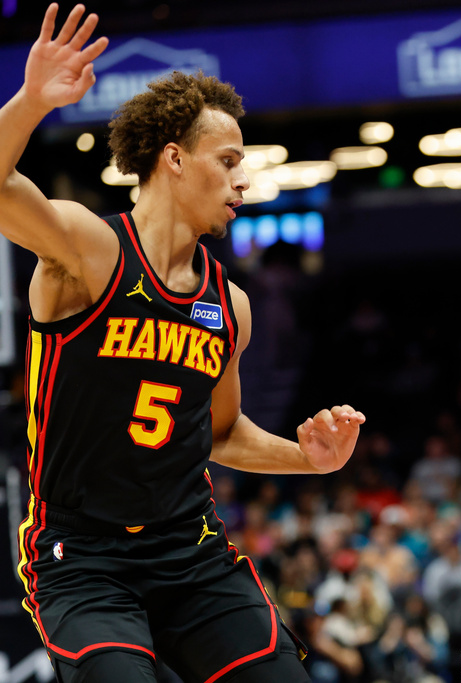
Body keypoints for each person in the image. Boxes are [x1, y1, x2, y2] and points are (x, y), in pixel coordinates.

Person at [1, 5, 365, 682]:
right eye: (227, 161)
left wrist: (309, 460)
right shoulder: (91, 249)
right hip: (82, 557)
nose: (242, 180)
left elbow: (220, 433)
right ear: (173, 158)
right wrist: (29, 102)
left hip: (189, 553)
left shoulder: (231, 306)